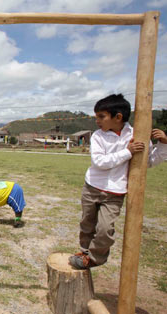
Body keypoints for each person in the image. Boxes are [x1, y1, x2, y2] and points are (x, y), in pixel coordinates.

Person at [69, 94, 167, 270]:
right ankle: (84, 252)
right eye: (96, 116)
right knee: (87, 223)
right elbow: (100, 162)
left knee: (105, 229)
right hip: (92, 187)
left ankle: (95, 258)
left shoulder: (138, 134)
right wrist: (127, 152)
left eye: (101, 116)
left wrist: (163, 144)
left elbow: (149, 162)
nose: (97, 121)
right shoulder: (98, 136)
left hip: (115, 192)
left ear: (118, 117)